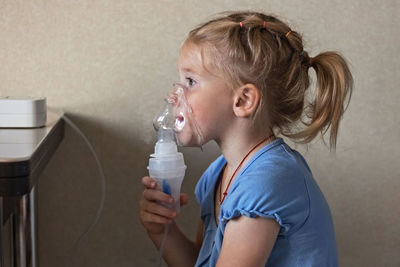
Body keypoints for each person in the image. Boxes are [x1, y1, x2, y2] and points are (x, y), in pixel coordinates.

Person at [139, 11, 353, 267]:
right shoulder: (218, 174)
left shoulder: (266, 182)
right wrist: (162, 230)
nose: (175, 95)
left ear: (243, 101)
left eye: (191, 81)